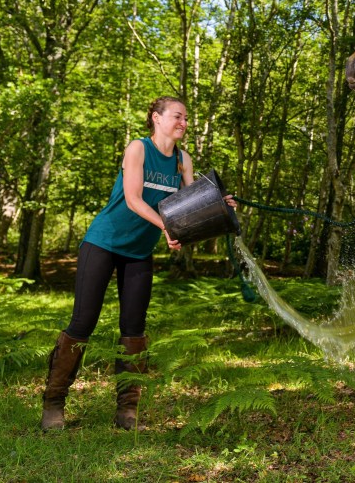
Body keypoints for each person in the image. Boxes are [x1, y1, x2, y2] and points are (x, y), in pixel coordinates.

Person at [40, 96, 232, 431]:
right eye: (177, 116)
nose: (183, 123)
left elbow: (192, 206)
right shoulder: (138, 149)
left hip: (139, 252)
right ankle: (54, 404)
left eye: (186, 118)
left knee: (134, 329)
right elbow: (132, 199)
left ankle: (127, 412)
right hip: (103, 243)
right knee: (83, 323)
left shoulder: (183, 160)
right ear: (156, 118)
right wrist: (166, 227)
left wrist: (220, 203)